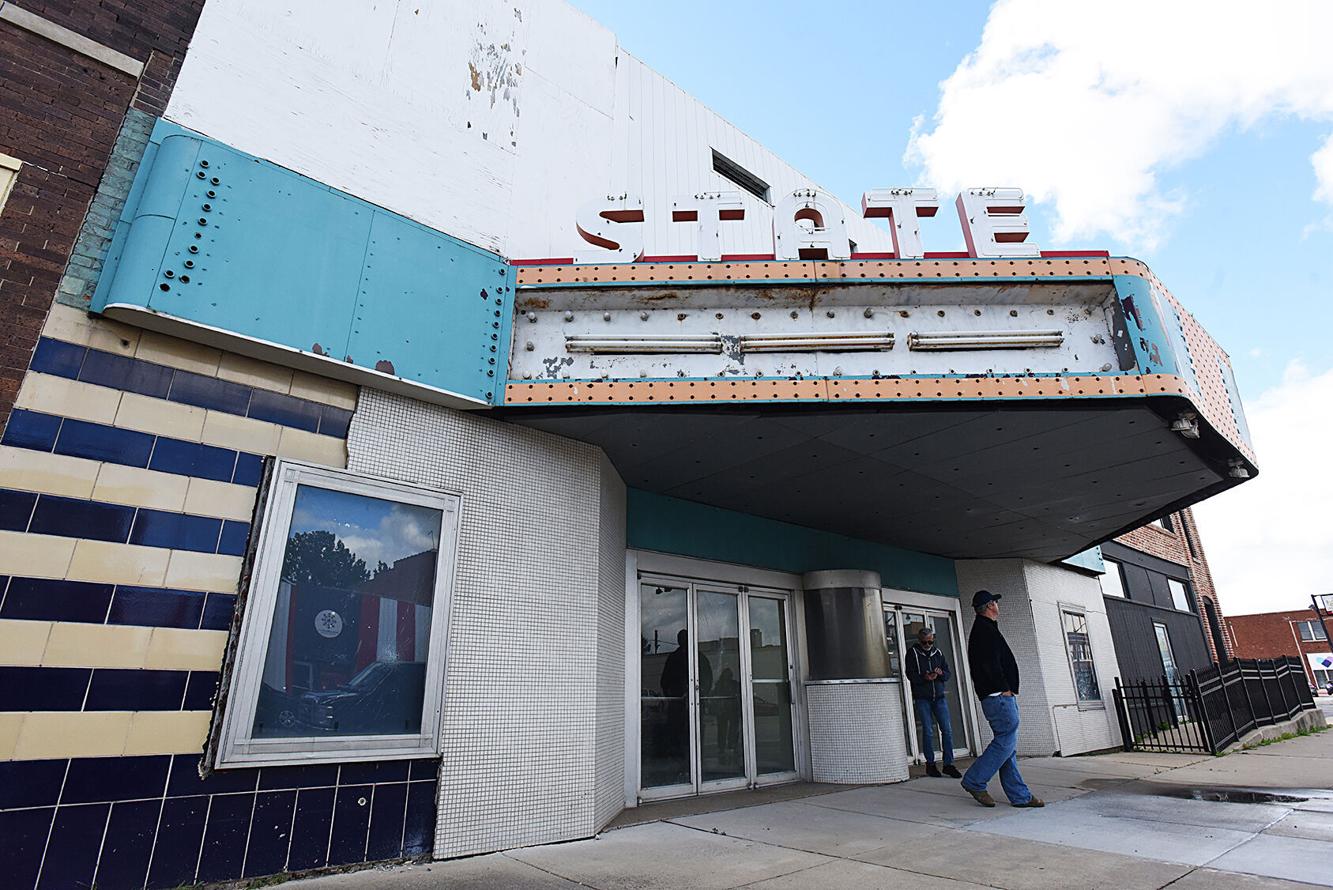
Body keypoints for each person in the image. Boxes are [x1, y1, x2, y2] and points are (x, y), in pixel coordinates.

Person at [960, 590, 1044, 808]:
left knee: (1008, 746)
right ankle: (975, 780)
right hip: (998, 696)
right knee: (1005, 741)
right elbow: (989, 664)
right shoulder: (984, 631)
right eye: (995, 602)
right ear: (989, 606)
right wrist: (1004, 688)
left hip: (997, 695)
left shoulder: (985, 629)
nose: (998, 604)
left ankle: (1020, 796)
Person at [905, 626, 961, 778]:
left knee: (947, 730)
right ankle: (930, 764)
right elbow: (910, 674)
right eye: (925, 643)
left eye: (930, 642)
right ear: (919, 641)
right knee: (928, 731)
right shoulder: (913, 653)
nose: (928, 645)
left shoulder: (938, 653)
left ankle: (948, 764)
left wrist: (940, 675)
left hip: (939, 696)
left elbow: (947, 672)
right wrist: (924, 677)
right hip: (923, 697)